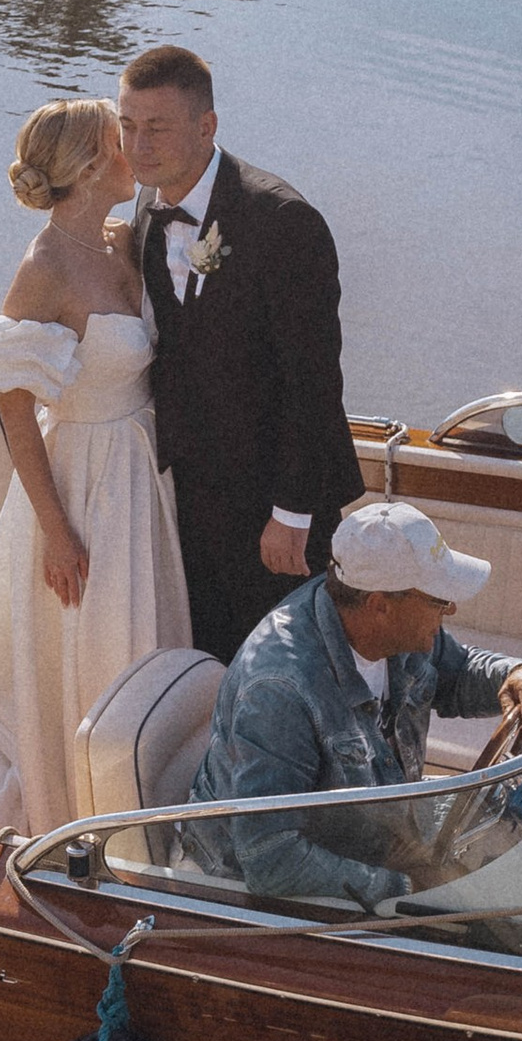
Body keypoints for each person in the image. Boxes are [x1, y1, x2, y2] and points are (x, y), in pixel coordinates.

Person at [0, 97, 189, 834]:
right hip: (82, 481)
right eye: (120, 140)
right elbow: (15, 409)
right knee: (97, 647)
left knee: (148, 632)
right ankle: (92, 814)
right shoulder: (44, 267)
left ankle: (155, 785)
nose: (134, 150)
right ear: (91, 166)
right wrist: (57, 531)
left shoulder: (124, 241)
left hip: (140, 470)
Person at [185, 497, 522, 915]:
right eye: (438, 598)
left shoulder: (392, 629)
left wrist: (515, 673)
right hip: (247, 894)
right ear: (380, 605)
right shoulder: (279, 692)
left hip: (368, 833)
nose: (450, 608)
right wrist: (408, 887)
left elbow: (454, 672)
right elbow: (271, 859)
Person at [118, 41, 364, 664]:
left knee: (293, 666)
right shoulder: (149, 202)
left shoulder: (282, 221)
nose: (137, 147)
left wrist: (293, 511)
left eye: (156, 129)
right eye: (127, 126)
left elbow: (312, 383)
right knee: (213, 657)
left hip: (273, 495)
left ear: (207, 126)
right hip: (192, 490)